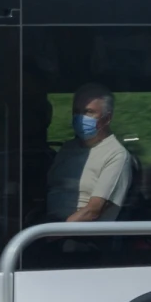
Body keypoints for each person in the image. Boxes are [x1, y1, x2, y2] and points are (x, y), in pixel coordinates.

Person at [46, 84, 132, 222]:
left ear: (107, 118)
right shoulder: (68, 148)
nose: (80, 118)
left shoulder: (116, 155)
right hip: (48, 226)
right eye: (77, 111)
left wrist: (50, 234)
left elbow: (92, 211)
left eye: (88, 112)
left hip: (80, 235)